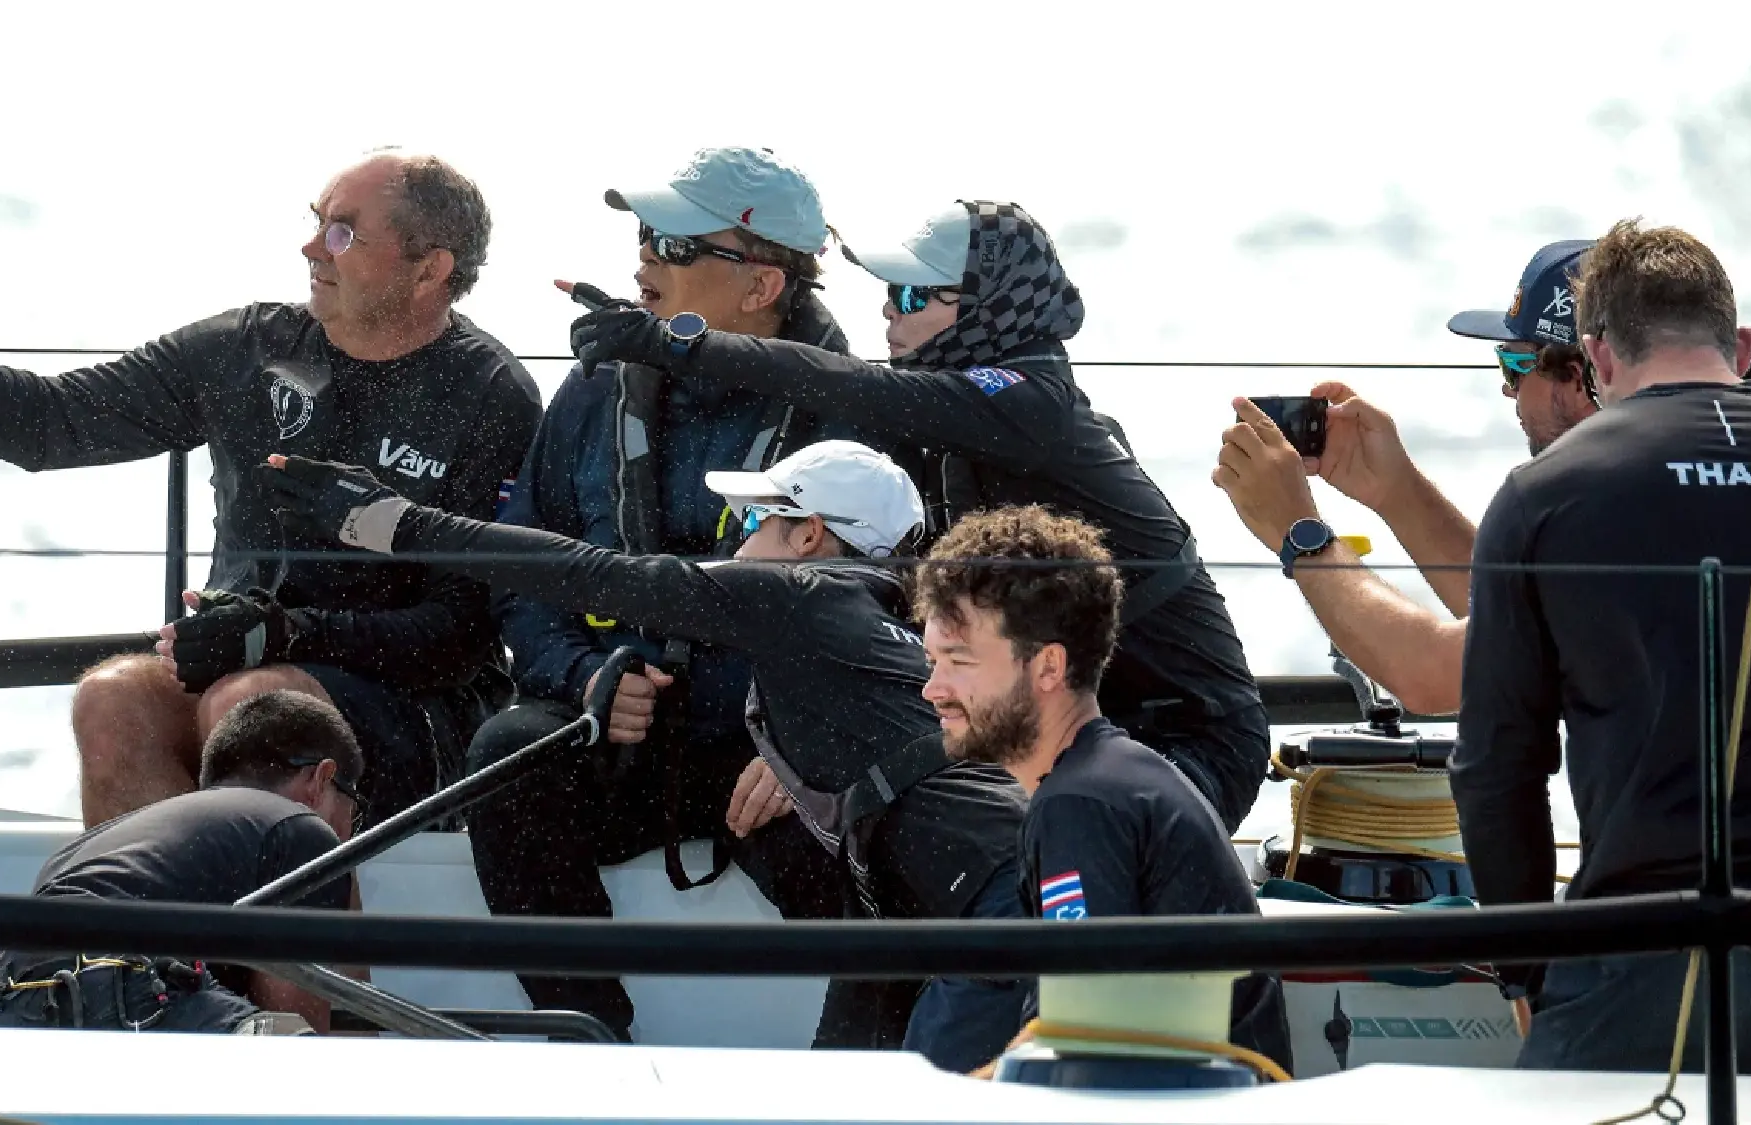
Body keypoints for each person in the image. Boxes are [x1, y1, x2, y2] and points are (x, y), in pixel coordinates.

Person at [0, 150, 541, 830]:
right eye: (316, 219)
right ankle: (159, 958)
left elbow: (461, 632)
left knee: (256, 706)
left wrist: (286, 634)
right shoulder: (247, 347)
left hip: (419, 708)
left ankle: (300, 961)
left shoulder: (491, 395)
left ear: (428, 271)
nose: (311, 247)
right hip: (246, 668)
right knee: (113, 697)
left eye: (343, 231)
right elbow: (48, 424)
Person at [262, 439, 1029, 1065]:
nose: (738, 540)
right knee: (846, 1095)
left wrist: (391, 522)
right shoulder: (897, 625)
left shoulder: (803, 593)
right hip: (935, 903)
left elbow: (595, 574)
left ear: (808, 536)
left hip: (991, 904)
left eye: (754, 521)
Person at [567, 199, 1268, 833]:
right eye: (884, 295)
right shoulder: (936, 421)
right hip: (1050, 726)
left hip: (1183, 739)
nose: (887, 314)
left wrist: (672, 343)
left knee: (1041, 838)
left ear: (987, 309)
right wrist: (799, 741)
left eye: (910, 296)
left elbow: (847, 383)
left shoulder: (1031, 403)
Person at [469, 145, 859, 1040]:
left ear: (762, 286)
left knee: (868, 855)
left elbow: (895, 616)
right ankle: (591, 1043)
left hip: (775, 755)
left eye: (675, 245)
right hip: (626, 729)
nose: (644, 259)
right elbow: (523, 570)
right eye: (645, 236)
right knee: (508, 754)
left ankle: (874, 1075)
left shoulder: (855, 412)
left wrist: (809, 747)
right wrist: (581, 675)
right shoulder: (595, 386)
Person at [1452, 218, 1751, 1071]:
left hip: (1636, 958)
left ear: (1597, 359)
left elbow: (1498, 767)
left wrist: (1528, 971)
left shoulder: (1542, 496)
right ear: (1742, 344)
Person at [910, 505, 1292, 1074]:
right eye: (931, 660)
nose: (931, 689)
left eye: (959, 661)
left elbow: (1085, 1043)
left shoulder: (1079, 806)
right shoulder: (1112, 776)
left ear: (1047, 667)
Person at [1210, 241, 1599, 715]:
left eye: (1515, 366)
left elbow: (1436, 675)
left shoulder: (1614, 502)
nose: (1506, 388)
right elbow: (1516, 617)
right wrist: (1395, 490)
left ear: (1579, 378)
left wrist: (1299, 532)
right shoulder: (1652, 479)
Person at [0, 690, 363, 1034]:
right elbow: (295, 1016)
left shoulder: (104, 839)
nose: (348, 830)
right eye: (354, 810)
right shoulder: (298, 828)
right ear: (321, 779)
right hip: (120, 985)